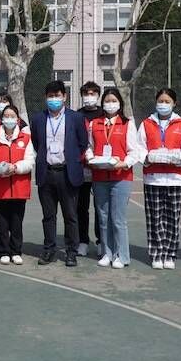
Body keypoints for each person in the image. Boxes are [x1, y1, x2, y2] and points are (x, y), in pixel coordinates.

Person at [30, 81, 89, 267]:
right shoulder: (38, 119)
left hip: (67, 172)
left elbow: (83, 142)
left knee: (70, 216)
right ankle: (49, 249)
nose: (54, 99)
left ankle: (71, 252)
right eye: (50, 96)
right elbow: (36, 142)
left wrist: (71, 158)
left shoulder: (76, 118)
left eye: (57, 95)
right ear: (45, 98)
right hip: (46, 172)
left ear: (64, 97)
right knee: (48, 216)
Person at [136, 88, 181, 270]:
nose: (163, 104)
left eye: (167, 101)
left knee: (172, 218)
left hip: (175, 178)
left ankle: (169, 254)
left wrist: (176, 158)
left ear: (174, 104)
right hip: (153, 178)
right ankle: (156, 253)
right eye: (160, 101)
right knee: (154, 218)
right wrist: (147, 157)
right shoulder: (146, 124)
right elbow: (139, 148)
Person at [87, 87, 140, 269]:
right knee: (103, 217)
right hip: (100, 176)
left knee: (118, 219)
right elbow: (89, 147)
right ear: (102, 103)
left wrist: (123, 164)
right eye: (107, 101)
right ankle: (106, 253)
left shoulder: (127, 124)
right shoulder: (95, 124)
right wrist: (90, 159)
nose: (110, 104)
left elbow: (134, 151)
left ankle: (121, 256)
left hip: (121, 177)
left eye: (113, 101)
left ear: (120, 104)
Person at [0, 103, 35, 265]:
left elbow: (29, 161)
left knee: (16, 221)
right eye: (6, 116)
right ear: (1, 119)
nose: (9, 119)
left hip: (19, 187)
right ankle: (4, 251)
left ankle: (16, 251)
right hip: (0, 187)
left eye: (12, 116)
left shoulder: (25, 139)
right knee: (2, 222)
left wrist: (15, 168)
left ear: (18, 119)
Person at [76, 81, 103, 258]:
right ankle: (83, 241)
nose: (89, 96)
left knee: (100, 206)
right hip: (82, 167)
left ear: (98, 96)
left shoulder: (104, 114)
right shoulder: (77, 115)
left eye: (93, 93)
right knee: (81, 207)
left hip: (100, 166)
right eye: (86, 93)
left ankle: (101, 241)